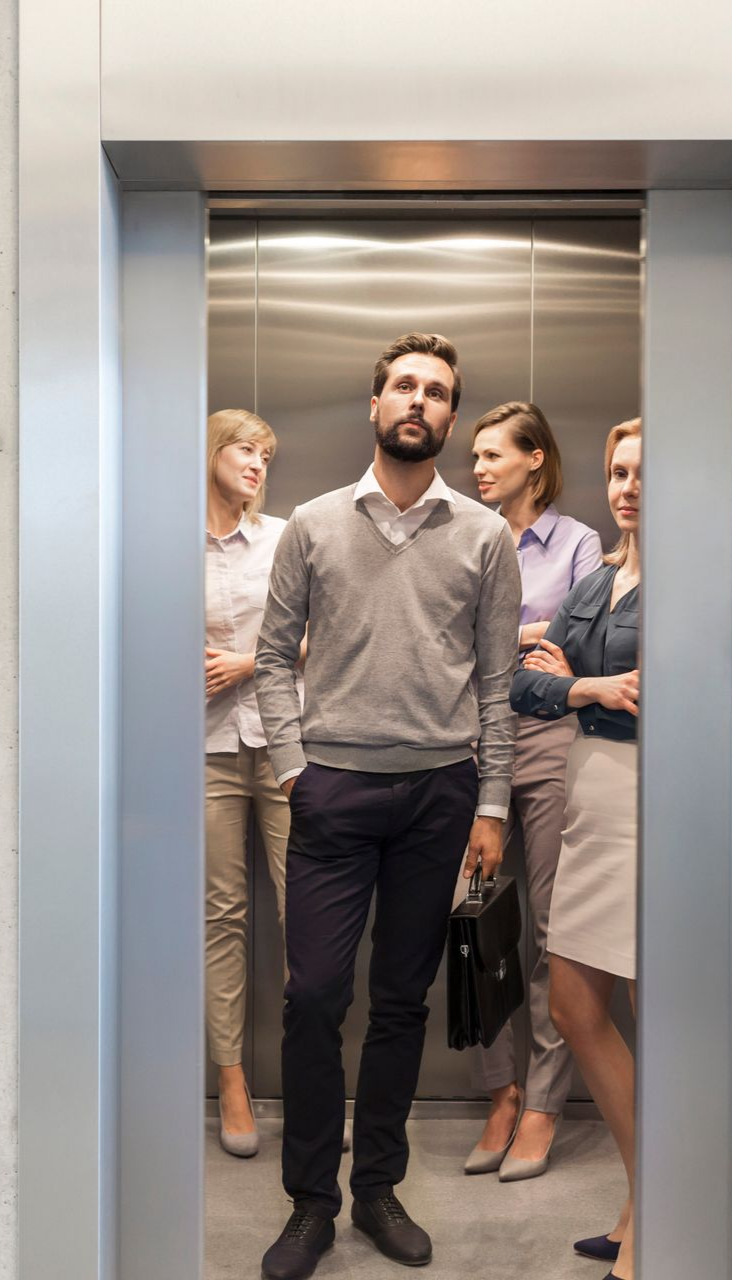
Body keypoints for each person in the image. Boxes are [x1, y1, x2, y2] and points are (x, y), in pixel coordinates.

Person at [254, 333, 522, 1280]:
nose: (419, 401)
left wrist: (490, 803)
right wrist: (294, 770)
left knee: (402, 1002)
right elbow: (275, 655)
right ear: (375, 406)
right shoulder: (314, 526)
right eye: (403, 386)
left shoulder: (484, 536)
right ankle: (309, 1206)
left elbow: (496, 680)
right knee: (315, 996)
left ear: (450, 417)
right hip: (331, 792)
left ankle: (374, 1190)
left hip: (440, 797)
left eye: (437, 392)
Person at [510, 418, 642, 1280]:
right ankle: (652, 1195)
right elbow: (526, 680)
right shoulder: (602, 577)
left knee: (658, 1021)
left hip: (650, 803)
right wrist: (589, 687)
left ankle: (653, 1216)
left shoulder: (697, 576)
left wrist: (567, 682)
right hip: (590, 802)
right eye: (617, 472)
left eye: (643, 472)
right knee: (572, 1004)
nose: (626, 486)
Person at [464, 401, 602, 1180]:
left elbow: (574, 647)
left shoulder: (580, 542)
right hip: (470, 741)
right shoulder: (464, 535)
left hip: (550, 742)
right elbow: (447, 635)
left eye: (493, 455)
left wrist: (496, 639)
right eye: (476, 455)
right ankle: (501, 1091)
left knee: (550, 924)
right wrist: (524, 637)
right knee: (472, 920)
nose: (478, 467)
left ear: (534, 462)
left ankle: (546, 1101)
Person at [203, 409, 293, 1159]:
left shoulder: (284, 536)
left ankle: (311, 1075)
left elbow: (324, 627)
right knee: (222, 915)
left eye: (266, 454)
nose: (259, 464)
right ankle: (232, 1083)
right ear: (210, 453)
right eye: (246, 449)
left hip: (283, 745)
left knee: (310, 911)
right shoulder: (168, 544)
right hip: (201, 749)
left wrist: (252, 661)